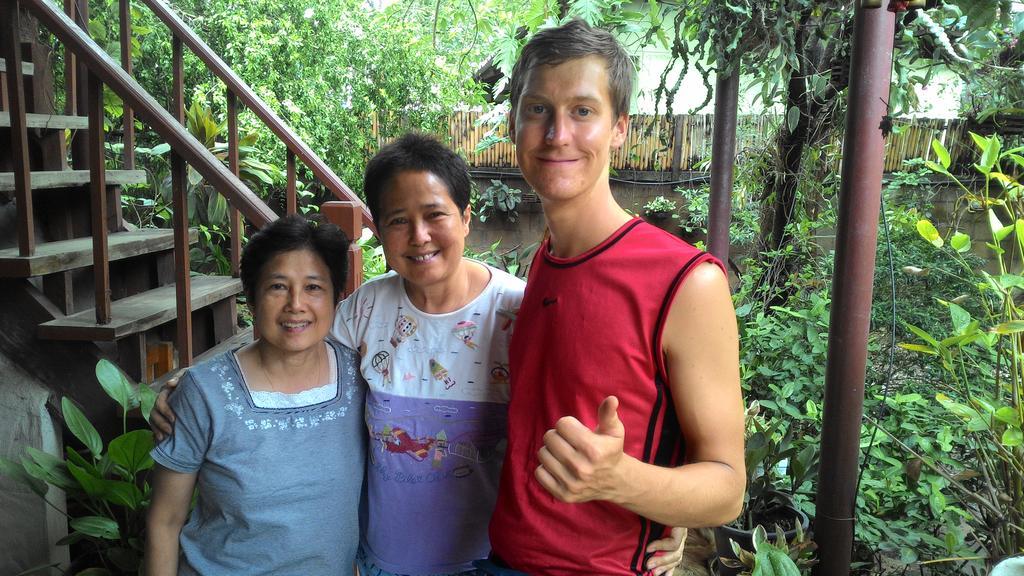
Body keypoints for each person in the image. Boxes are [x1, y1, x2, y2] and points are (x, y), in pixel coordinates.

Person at [151, 134, 688, 575]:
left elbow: (607, 411)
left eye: (435, 214)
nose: (419, 235)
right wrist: (193, 387)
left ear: (467, 217)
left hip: (489, 560)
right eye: (398, 221)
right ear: (379, 231)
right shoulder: (363, 311)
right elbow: (291, 344)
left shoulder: (519, 312)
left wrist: (668, 516)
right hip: (385, 560)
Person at [484, 19, 745, 575]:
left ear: (619, 128)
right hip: (503, 556)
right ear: (514, 124)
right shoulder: (545, 261)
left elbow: (726, 488)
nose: (557, 134)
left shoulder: (688, 281)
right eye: (538, 110)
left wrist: (621, 480)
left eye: (583, 111)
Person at [145, 215, 365, 575]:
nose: (296, 304)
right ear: (251, 298)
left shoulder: (362, 378)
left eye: (313, 287)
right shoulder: (205, 394)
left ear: (336, 298)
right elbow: (164, 523)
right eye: (278, 286)